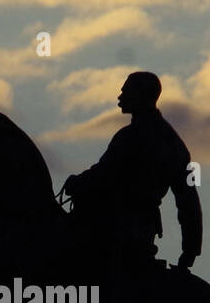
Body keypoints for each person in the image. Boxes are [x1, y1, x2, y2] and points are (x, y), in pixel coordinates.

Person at [62, 72, 202, 272]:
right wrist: (190, 249)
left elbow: (104, 175)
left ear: (141, 95)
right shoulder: (173, 143)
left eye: (126, 91)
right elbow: (188, 201)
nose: (120, 96)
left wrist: (77, 183)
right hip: (142, 230)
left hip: (116, 227)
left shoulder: (130, 137)